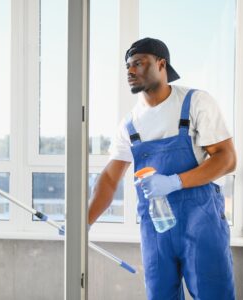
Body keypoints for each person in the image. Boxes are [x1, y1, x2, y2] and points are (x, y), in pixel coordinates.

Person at [88, 37, 236, 299]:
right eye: (127, 67)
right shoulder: (130, 124)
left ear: (161, 64)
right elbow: (111, 178)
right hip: (157, 230)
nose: (130, 71)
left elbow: (226, 159)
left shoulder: (195, 102)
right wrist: (83, 221)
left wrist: (175, 182)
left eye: (138, 63)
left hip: (201, 223)